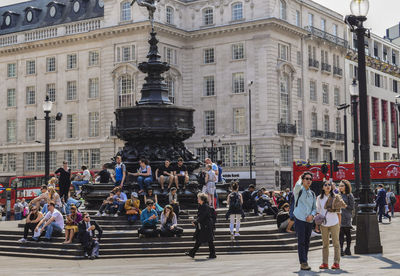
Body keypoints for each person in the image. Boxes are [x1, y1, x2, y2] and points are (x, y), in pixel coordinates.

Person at [317, 181, 346, 270]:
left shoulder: (336, 197)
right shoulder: (319, 198)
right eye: (325, 185)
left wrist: (339, 225)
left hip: (334, 223)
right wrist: (317, 224)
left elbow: (339, 213)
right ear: (322, 187)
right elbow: (318, 211)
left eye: (329, 185)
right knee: (325, 244)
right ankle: (325, 263)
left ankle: (336, 263)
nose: (327, 186)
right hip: (324, 224)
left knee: (336, 244)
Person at [293, 172, 317, 271]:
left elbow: (314, 208)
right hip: (299, 218)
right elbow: (297, 185)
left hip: (309, 220)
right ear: (303, 180)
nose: (309, 180)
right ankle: (303, 262)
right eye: (306, 178)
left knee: (307, 241)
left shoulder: (312, 193)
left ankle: (305, 260)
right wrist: (299, 178)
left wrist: (312, 215)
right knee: (301, 241)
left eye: (310, 179)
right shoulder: (298, 190)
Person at [185, 193, 216, 259]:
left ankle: (212, 254)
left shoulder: (205, 206)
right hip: (204, 225)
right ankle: (193, 253)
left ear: (202, 199)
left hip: (206, 225)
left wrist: (196, 222)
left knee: (208, 240)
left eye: (198, 198)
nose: (197, 199)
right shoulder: (202, 206)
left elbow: (203, 216)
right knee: (201, 239)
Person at [339, 179, 355, 256]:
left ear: (346, 186)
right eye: (339, 186)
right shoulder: (338, 195)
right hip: (339, 216)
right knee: (340, 233)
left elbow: (352, 207)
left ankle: (348, 249)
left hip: (347, 216)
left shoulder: (349, 195)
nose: (340, 187)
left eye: (342, 186)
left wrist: (345, 206)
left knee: (347, 233)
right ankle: (341, 249)